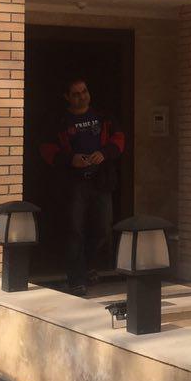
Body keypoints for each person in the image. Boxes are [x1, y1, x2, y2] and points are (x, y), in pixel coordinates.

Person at [39, 78, 126, 296]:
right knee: (74, 231)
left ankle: (86, 266)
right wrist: (71, 159)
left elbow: (119, 139)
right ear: (67, 97)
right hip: (73, 183)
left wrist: (104, 153)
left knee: (103, 229)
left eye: (84, 91)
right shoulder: (59, 121)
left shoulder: (103, 117)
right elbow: (46, 149)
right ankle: (76, 279)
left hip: (101, 181)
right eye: (76, 94)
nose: (82, 96)